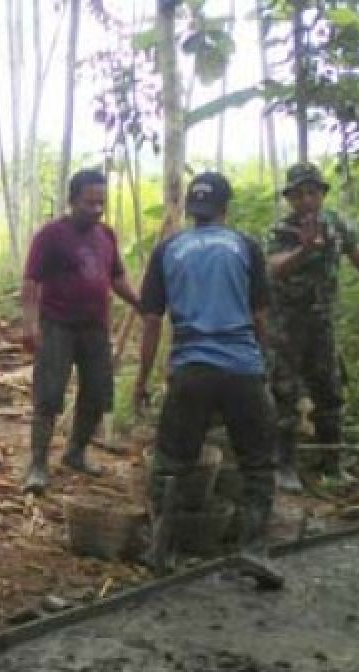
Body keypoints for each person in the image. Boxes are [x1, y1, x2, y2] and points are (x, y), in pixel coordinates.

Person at [134, 172, 278, 571]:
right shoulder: (245, 246)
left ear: (190, 211)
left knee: (171, 463)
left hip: (191, 369)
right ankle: (253, 549)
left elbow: (150, 322)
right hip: (242, 368)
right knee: (258, 463)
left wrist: (143, 380)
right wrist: (260, 365)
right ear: (225, 209)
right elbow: (260, 316)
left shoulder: (169, 250)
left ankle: (160, 550)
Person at [266, 163, 359, 491]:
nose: (307, 200)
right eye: (299, 194)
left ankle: (332, 463)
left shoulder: (335, 225)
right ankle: (283, 465)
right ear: (291, 198)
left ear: (322, 195)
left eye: (313, 192)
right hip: (285, 327)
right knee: (285, 393)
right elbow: (275, 268)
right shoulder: (282, 231)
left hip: (321, 324)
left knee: (329, 392)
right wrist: (304, 250)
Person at [20, 168, 141, 493]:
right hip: (57, 324)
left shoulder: (107, 236)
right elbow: (31, 280)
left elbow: (116, 278)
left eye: (101, 202)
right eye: (90, 202)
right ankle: (38, 463)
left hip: (94, 327)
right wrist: (30, 324)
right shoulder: (51, 235)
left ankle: (76, 452)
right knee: (49, 394)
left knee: (98, 392)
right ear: (73, 200)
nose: (97, 208)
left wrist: (140, 302)